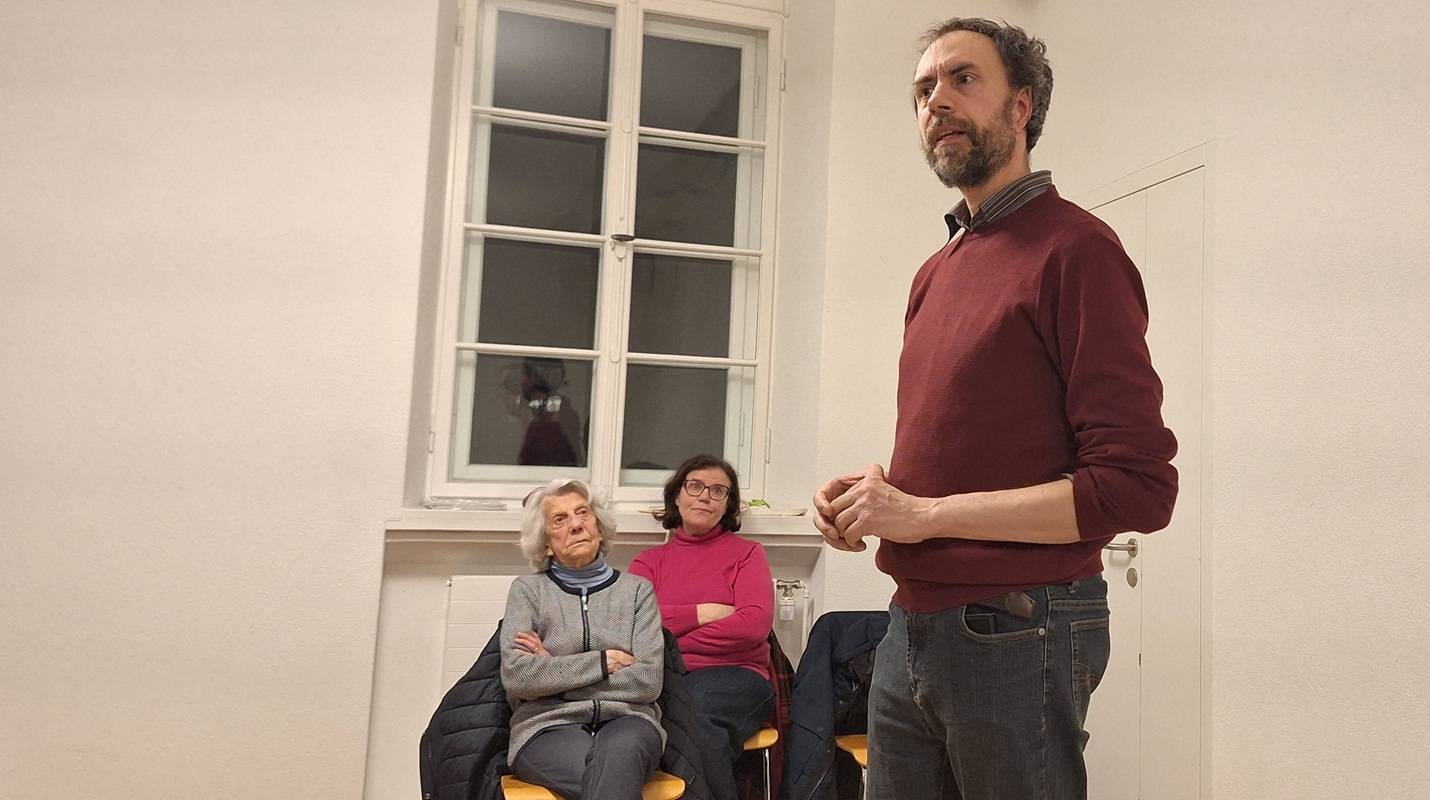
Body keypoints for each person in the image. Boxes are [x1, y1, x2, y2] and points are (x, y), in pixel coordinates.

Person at [812, 17, 1178, 800]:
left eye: (962, 79)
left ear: (1021, 105)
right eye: (923, 90)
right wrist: (878, 497)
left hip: (1019, 626)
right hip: (909, 622)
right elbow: (968, 447)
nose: (936, 100)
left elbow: (1137, 489)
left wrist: (924, 515)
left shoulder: (1078, 250)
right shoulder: (936, 270)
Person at [501, 479, 665, 800]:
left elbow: (647, 682)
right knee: (607, 781)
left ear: (599, 528)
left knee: (616, 762)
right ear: (546, 543)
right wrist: (604, 662)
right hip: (546, 726)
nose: (576, 525)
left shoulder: (637, 591)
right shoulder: (527, 591)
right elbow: (518, 677)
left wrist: (554, 675)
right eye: (559, 520)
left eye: (583, 513)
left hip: (629, 721)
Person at [629, 455, 775, 800]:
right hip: (663, 678)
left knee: (692, 720)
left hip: (736, 675)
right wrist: (703, 613)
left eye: (718, 490)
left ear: (727, 505)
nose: (705, 496)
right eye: (695, 486)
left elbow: (752, 626)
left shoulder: (748, 554)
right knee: (634, 728)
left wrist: (669, 636)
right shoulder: (648, 562)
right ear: (677, 495)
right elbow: (631, 624)